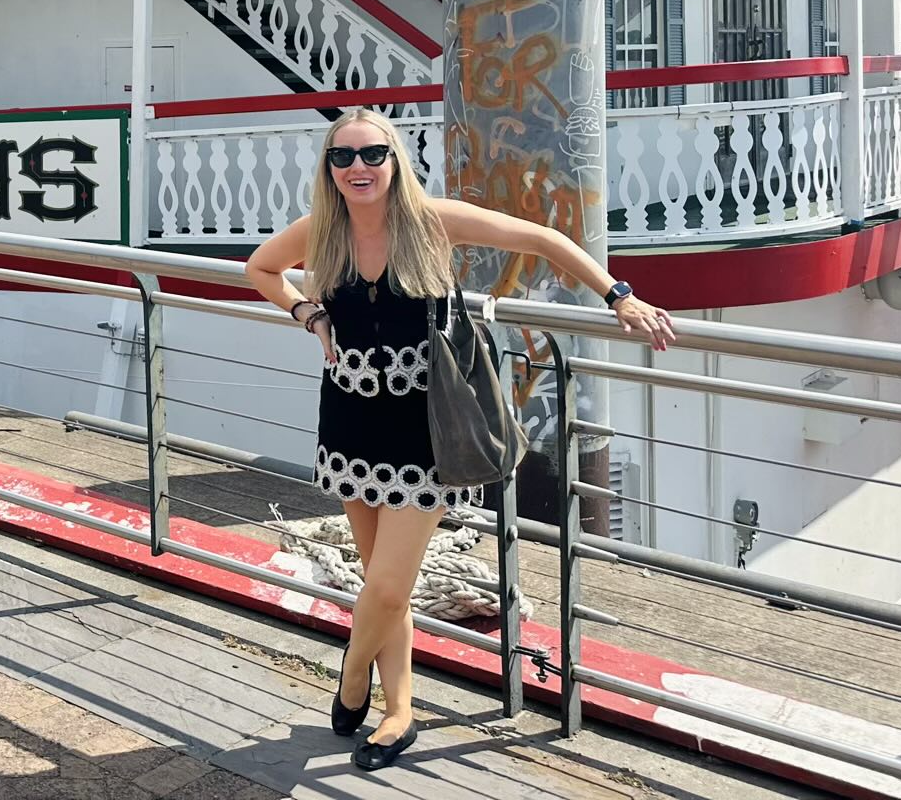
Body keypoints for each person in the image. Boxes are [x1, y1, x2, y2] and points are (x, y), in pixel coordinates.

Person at [243, 108, 676, 770]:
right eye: (343, 157)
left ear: (394, 160)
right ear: (329, 170)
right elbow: (260, 269)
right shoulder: (322, 232)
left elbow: (543, 240)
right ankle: (399, 712)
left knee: (387, 588)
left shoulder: (429, 221)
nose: (358, 167)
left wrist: (619, 295)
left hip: (425, 428)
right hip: (350, 422)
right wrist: (309, 314)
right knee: (381, 583)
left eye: (372, 154)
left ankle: (352, 678)